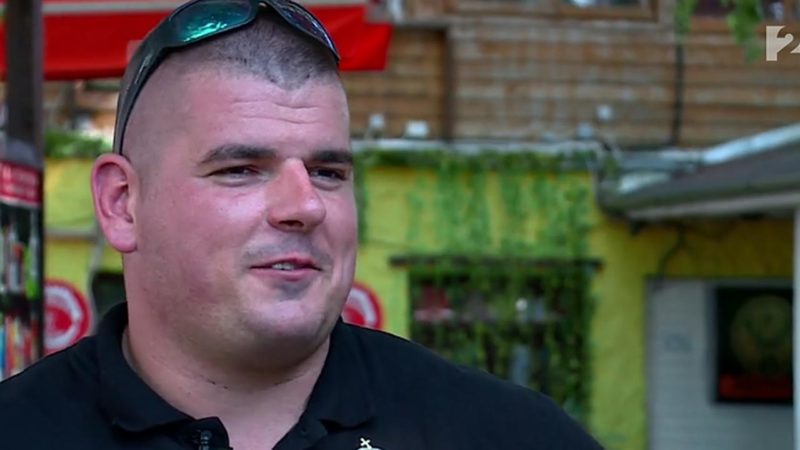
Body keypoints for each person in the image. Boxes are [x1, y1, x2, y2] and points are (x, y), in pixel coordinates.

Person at [0, 1, 603, 448]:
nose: (306, 205)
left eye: (328, 172)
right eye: (240, 169)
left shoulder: (509, 435)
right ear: (122, 204)